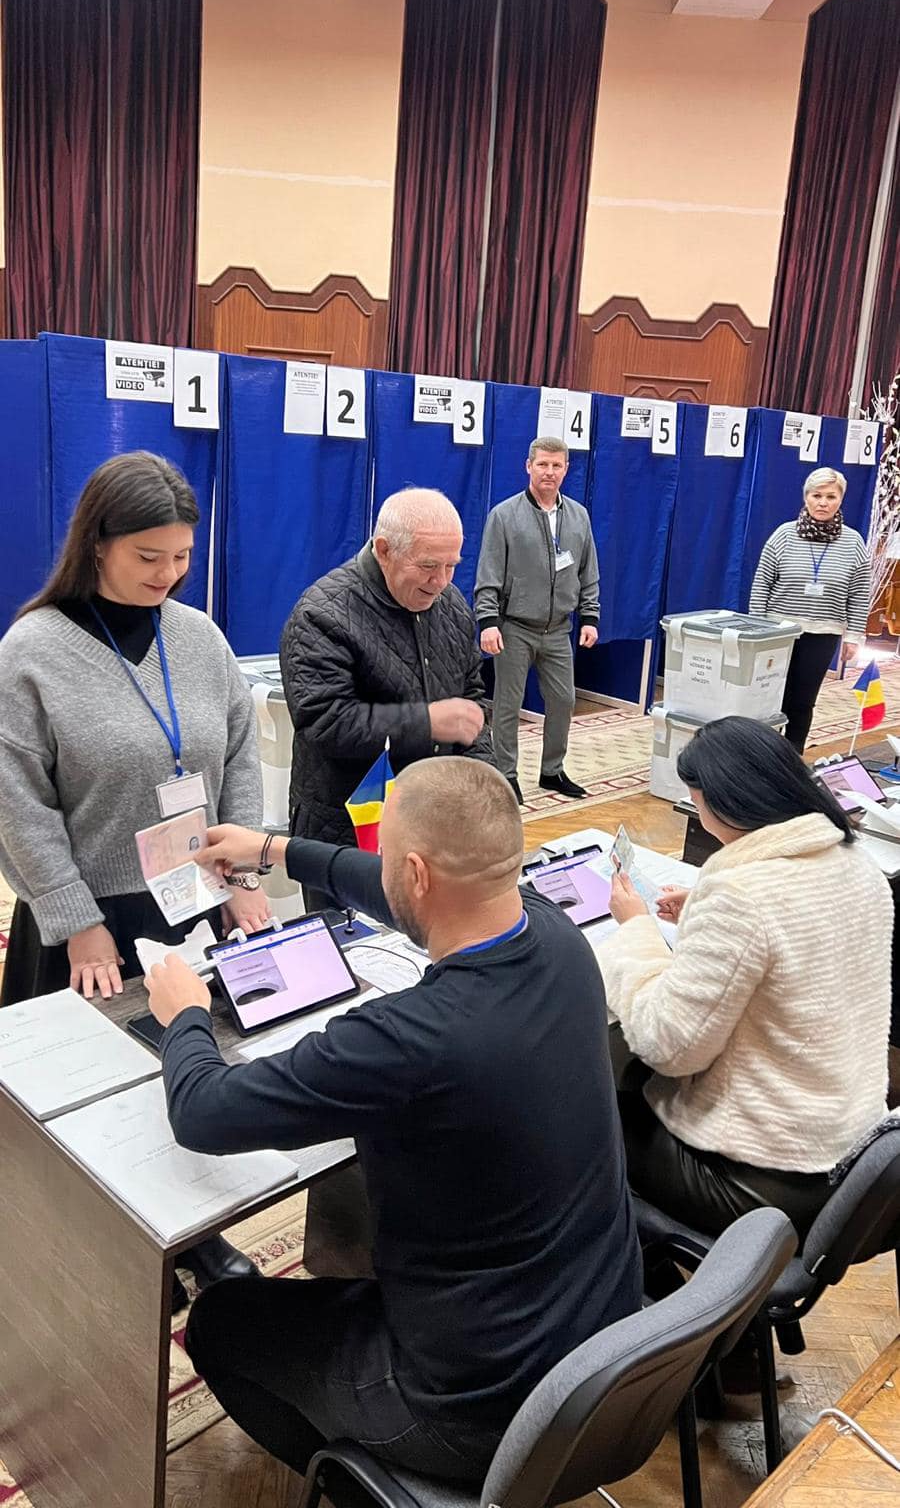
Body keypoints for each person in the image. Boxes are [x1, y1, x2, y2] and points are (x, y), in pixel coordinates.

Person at [144, 757, 642, 1484]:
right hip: (601, 1351)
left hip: (473, 1410)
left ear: (413, 874)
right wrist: (273, 851)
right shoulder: (556, 935)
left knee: (222, 1323)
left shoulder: (408, 1038)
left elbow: (202, 1111)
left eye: (389, 864)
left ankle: (368, 1486)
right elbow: (396, 894)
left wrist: (185, 1013)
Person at [0, 451, 268, 1291]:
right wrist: (73, 915)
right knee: (84, 1101)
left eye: (182, 556)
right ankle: (75, 1249)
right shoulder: (33, 650)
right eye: (149, 557)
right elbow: (17, 802)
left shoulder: (200, 637)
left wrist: (246, 869)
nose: (169, 573)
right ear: (98, 544)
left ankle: (190, 1234)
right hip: (86, 922)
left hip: (187, 899)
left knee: (184, 1068)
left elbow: (240, 755)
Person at [600, 716, 892, 1243]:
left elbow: (670, 1046)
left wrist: (636, 929)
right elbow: (799, 940)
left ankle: (623, 1277)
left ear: (725, 803)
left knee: (590, 1094)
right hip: (848, 1147)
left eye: (696, 802)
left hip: (758, 1177)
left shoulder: (743, 897)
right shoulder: (856, 864)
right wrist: (701, 911)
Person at [280, 488, 493, 853]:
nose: (441, 581)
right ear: (384, 550)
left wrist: (488, 780)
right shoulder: (321, 613)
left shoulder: (451, 604)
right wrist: (426, 723)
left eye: (452, 565)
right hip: (345, 828)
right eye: (428, 565)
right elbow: (325, 723)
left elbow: (471, 697)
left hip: (432, 818)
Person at [474, 437, 599, 804]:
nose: (549, 472)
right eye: (542, 464)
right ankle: (506, 774)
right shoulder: (504, 516)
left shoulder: (579, 516)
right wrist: (488, 621)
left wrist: (589, 616)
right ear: (528, 466)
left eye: (556, 465)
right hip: (514, 627)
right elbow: (488, 573)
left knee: (563, 700)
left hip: (559, 629)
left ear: (566, 470)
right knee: (508, 706)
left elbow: (588, 570)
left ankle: (552, 770)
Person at [749, 466, 871, 752]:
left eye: (831, 496)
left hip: (823, 632)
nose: (823, 502)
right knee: (770, 695)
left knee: (803, 700)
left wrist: (854, 636)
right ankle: (762, 756)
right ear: (806, 497)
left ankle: (792, 758)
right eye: (817, 495)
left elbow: (859, 592)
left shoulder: (853, 542)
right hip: (777, 632)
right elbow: (761, 584)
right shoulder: (783, 535)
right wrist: (756, 629)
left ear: (841, 500)